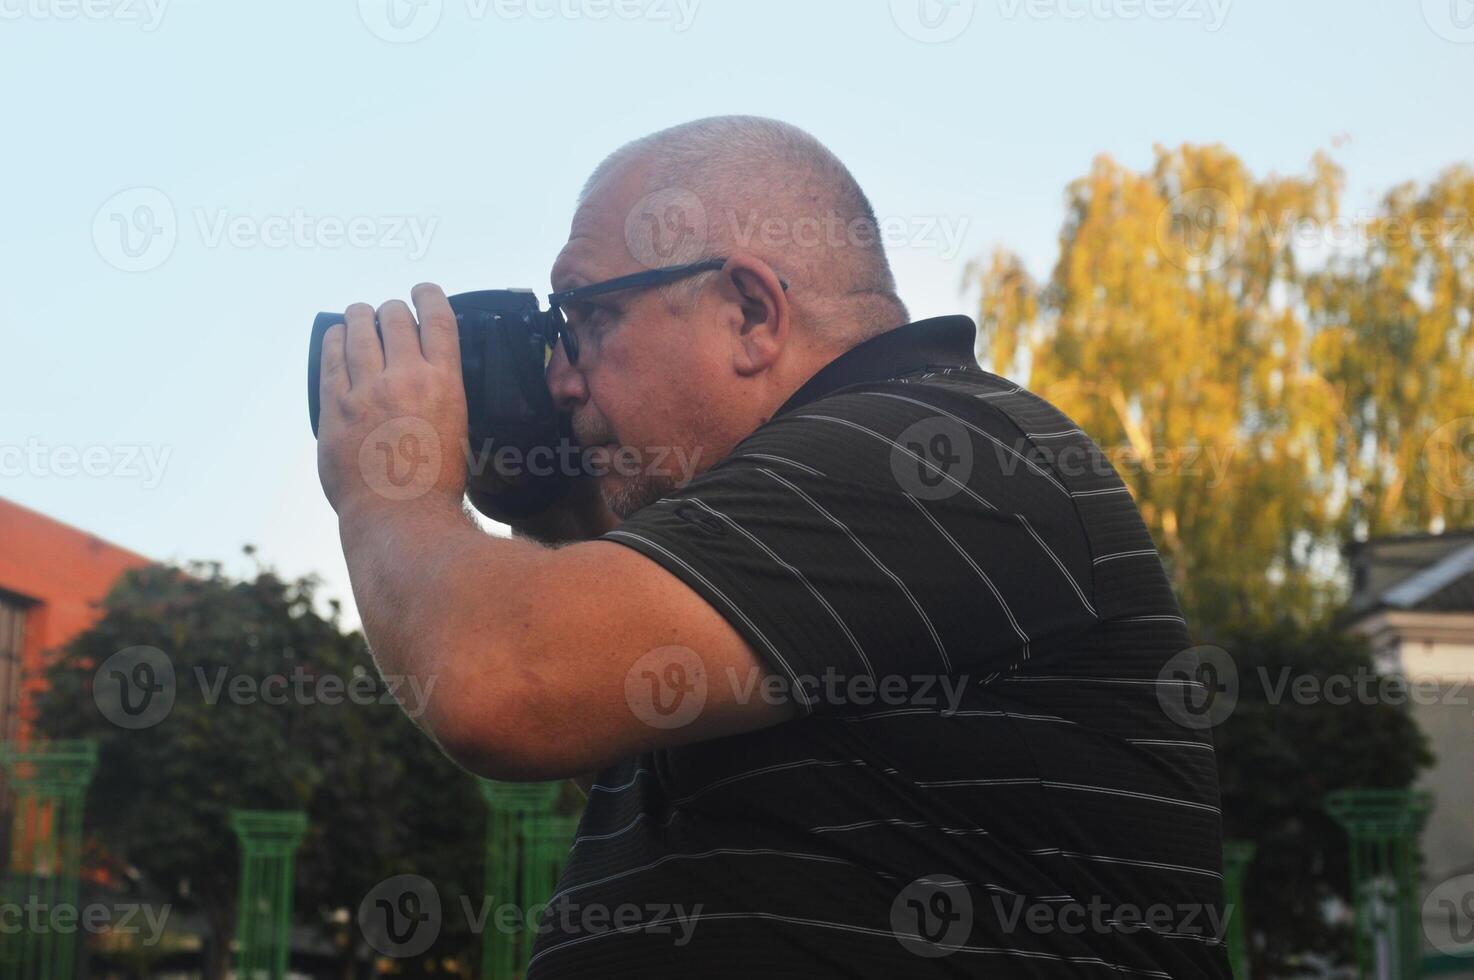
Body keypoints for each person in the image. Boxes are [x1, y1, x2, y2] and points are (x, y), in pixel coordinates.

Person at [314, 115, 1231, 977]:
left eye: (586, 321)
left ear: (749, 312)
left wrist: (386, 482)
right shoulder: (803, 519)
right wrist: (537, 502)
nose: (559, 377)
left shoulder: (930, 451)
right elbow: (595, 699)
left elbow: (498, 679)